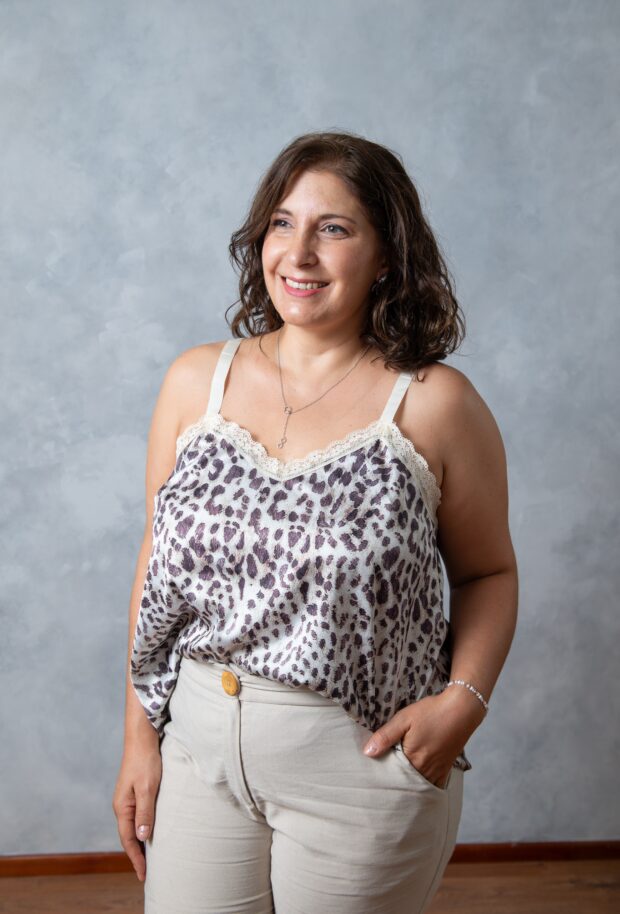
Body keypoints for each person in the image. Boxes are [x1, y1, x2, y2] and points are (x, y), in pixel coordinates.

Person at [113, 130, 518, 914]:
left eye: (333, 228)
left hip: (359, 765)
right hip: (197, 746)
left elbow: (488, 572)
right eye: (282, 224)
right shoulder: (195, 382)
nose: (299, 254)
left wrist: (466, 699)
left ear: (387, 255)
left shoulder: (434, 404)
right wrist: (138, 737)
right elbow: (158, 567)